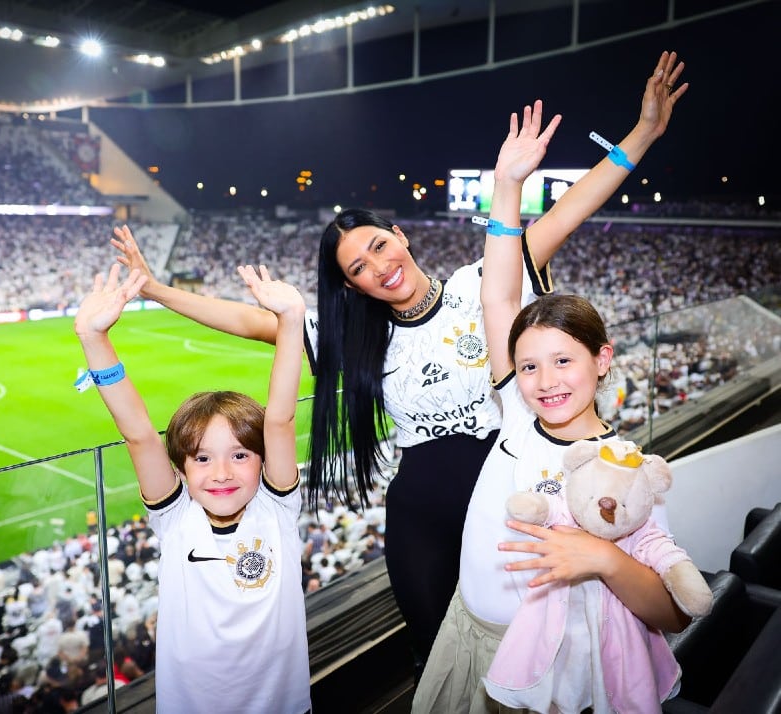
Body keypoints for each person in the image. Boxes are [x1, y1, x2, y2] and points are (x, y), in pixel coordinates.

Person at [107, 50, 688, 678]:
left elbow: (568, 210)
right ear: (352, 287)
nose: (377, 265)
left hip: (506, 488)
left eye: (379, 245)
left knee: (526, 641)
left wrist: (644, 133)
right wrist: (158, 290)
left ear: (401, 237)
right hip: (419, 507)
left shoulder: (481, 283)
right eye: (357, 268)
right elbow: (253, 321)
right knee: (437, 651)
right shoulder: (354, 338)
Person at [413, 72, 691, 713]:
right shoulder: (513, 409)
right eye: (529, 365)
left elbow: (672, 611)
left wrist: (601, 557)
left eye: (563, 361)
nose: (544, 381)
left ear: (602, 361)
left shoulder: (623, 468)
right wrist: (507, 186)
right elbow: (500, 294)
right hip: (470, 637)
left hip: (550, 669)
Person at [73, 262, 311, 713]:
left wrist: (292, 318)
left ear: (263, 460)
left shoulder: (276, 507)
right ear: (180, 468)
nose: (221, 472)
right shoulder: (175, 516)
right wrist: (93, 339)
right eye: (202, 458)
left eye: (240, 455)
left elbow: (279, 418)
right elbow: (139, 433)